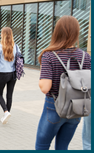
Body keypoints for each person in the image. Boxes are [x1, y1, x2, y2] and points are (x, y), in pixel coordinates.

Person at [35, 16, 91, 150]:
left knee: (41, 147)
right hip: (77, 109)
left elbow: (45, 87)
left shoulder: (49, 55)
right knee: (63, 147)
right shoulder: (86, 56)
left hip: (54, 107)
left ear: (57, 32)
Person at [0, 27, 20, 124]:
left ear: (3, 35)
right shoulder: (16, 46)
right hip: (13, 74)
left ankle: (5, 111)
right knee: (9, 95)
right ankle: (7, 114)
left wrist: (2, 64)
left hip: (3, 73)